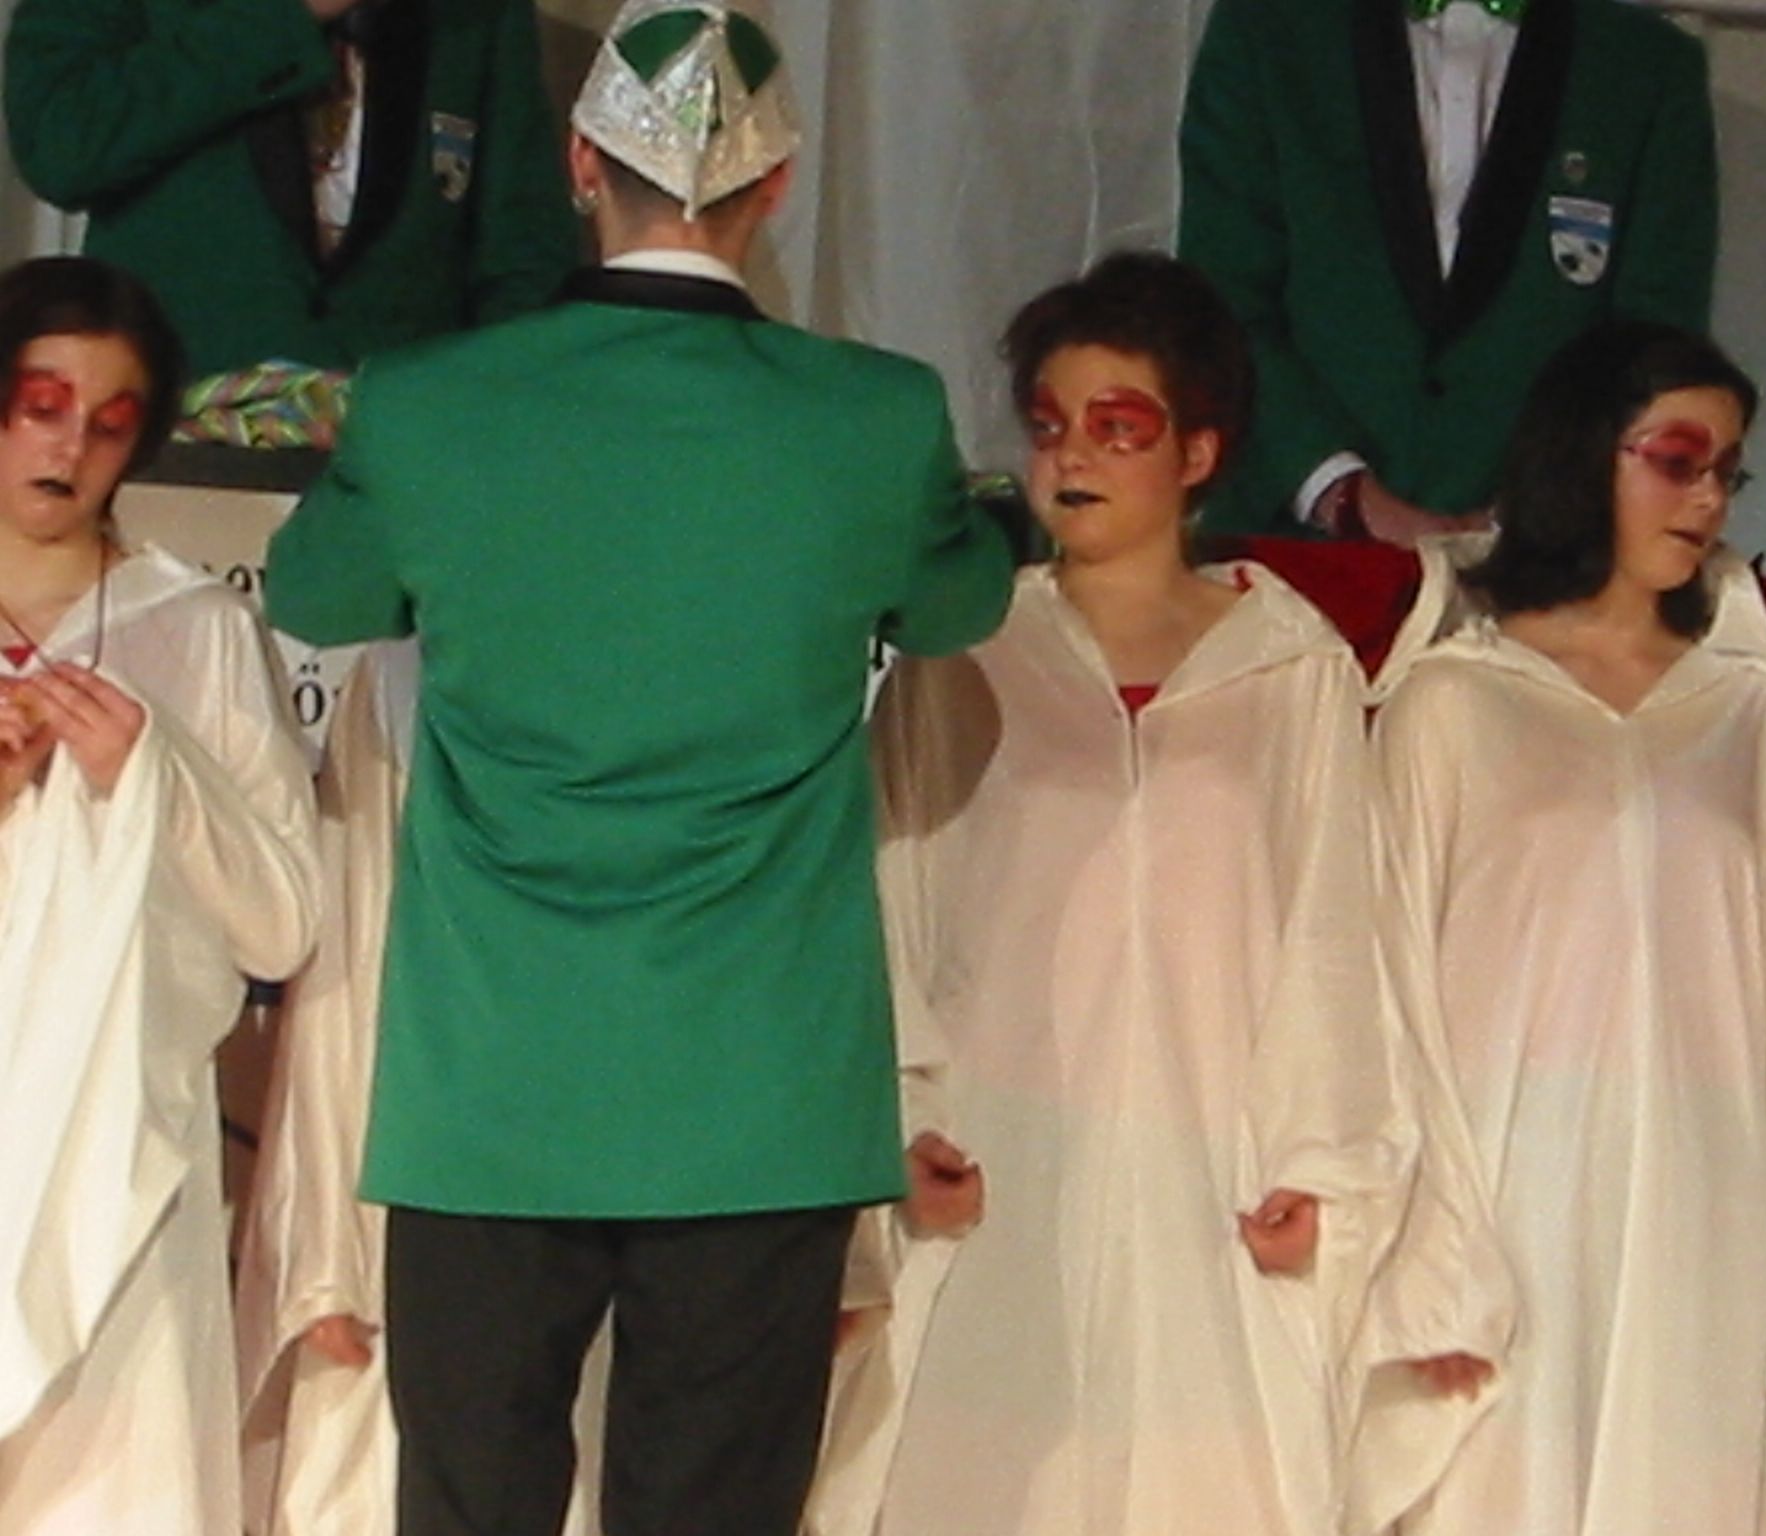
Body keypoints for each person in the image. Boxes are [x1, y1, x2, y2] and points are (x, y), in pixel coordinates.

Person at [261, 5, 1015, 1533]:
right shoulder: (875, 419)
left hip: (494, 1083)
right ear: (777, 185)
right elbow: (961, 607)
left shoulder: (433, 403)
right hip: (758, 1091)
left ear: (578, 162)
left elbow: (314, 593)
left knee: (470, 1509)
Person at [805, 251, 1510, 1536]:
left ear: (1196, 453)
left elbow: (1332, 926)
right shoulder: (971, 650)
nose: (1072, 455)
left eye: (1116, 426)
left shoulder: (1286, 664)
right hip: (1000, 1159)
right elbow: (892, 893)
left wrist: (1322, 1164)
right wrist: (900, 1120)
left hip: (1211, 1166)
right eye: (1050, 425)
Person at [1369, 320, 1766, 1535]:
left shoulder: (1752, 715)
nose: (1706, 497)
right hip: (1509, 1184)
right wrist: (1428, 1252)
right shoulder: (1451, 699)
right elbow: (1388, 984)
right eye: (1675, 459)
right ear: (1585, 451)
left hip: (1710, 1187)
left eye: (1725, 470)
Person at [0, 254, 319, 1535]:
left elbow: (282, 919)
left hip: (124, 1152)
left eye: (110, 420)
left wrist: (153, 770)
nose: (70, 445)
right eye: (42, 404)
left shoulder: (193, 627)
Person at [235, 641, 607, 1536]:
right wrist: (324, 1250)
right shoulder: (404, 675)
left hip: (637, 1188)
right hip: (424, 1179)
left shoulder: (699, 655)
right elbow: (349, 965)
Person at [1178, 0, 1717, 544]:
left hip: (1548, 558)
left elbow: (1654, 344)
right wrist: (1338, 490)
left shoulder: (1647, 64)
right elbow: (1221, 305)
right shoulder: (1267, 30)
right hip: (1288, 549)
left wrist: (1531, 509)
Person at [3, 0, 578, 377]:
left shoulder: (480, 11)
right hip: (173, 430)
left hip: (395, 458)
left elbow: (524, 251)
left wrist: (476, 413)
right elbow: (60, 147)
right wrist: (288, 14)